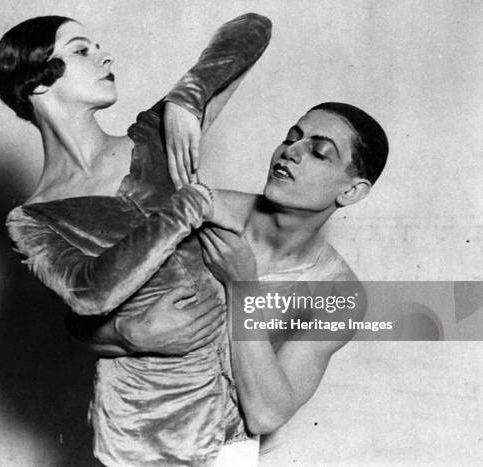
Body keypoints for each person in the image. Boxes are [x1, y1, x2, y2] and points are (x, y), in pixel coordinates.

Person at [0, 13, 272, 466]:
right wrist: (188, 205)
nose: (104, 55)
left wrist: (189, 94)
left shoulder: (155, 135)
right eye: (81, 49)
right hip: (142, 433)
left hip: (229, 414)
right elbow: (90, 291)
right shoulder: (31, 220)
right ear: (38, 83)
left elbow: (252, 29)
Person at [90, 102, 388, 463]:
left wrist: (242, 286)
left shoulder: (337, 293)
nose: (291, 152)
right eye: (292, 138)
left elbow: (266, 414)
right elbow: (79, 321)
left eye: (319, 152)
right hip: (130, 435)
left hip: (224, 452)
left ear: (351, 192)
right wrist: (126, 333)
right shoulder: (201, 212)